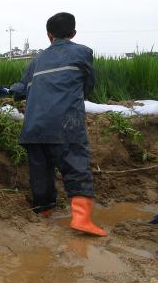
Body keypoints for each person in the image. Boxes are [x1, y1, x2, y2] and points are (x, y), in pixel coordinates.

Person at [19, 12, 106, 236]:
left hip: (33, 128)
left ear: (49, 36)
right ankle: (81, 219)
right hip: (66, 123)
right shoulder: (82, 52)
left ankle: (44, 214)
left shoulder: (35, 61)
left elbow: (24, 89)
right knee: (76, 166)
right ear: (73, 33)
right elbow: (88, 85)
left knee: (40, 172)